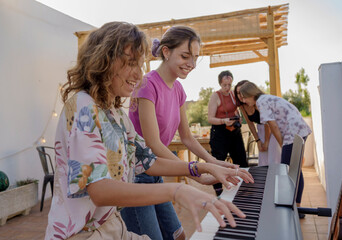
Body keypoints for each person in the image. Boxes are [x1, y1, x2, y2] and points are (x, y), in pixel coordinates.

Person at [44, 21, 254, 240]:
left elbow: (148, 161)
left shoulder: (116, 114)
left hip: (111, 225)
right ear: (104, 59)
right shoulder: (83, 106)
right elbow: (99, 190)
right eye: (131, 63)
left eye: (141, 65)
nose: (138, 75)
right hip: (81, 234)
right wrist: (177, 190)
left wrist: (203, 169)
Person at [123, 26, 246, 240]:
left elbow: (187, 137)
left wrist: (213, 161)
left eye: (195, 57)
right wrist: (195, 173)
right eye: (185, 56)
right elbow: (153, 144)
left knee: (178, 236)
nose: (191, 63)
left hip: (154, 176)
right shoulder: (147, 85)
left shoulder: (179, 90)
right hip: (134, 179)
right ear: (166, 52)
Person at [238, 81, 311, 208]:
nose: (244, 101)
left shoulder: (261, 102)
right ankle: (297, 206)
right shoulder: (265, 98)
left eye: (244, 97)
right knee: (294, 169)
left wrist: (283, 145)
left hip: (293, 132)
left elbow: (273, 126)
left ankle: (294, 206)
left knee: (288, 170)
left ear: (250, 94)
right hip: (298, 130)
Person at [207, 71, 248, 196]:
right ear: (220, 83)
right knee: (218, 161)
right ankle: (218, 191)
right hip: (219, 132)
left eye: (229, 84)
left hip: (234, 132)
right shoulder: (215, 96)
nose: (227, 88)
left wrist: (238, 118)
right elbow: (210, 118)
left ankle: (243, 187)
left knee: (241, 159)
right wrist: (223, 121)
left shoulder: (233, 94)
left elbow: (237, 109)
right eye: (224, 85)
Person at [234, 80, 281, 166]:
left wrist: (266, 141)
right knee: (263, 160)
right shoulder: (242, 105)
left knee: (274, 159)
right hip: (261, 130)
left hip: (272, 129)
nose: (240, 95)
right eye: (238, 93)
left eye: (242, 92)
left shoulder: (258, 102)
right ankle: (265, 179)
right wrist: (258, 141)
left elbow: (268, 123)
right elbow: (250, 124)